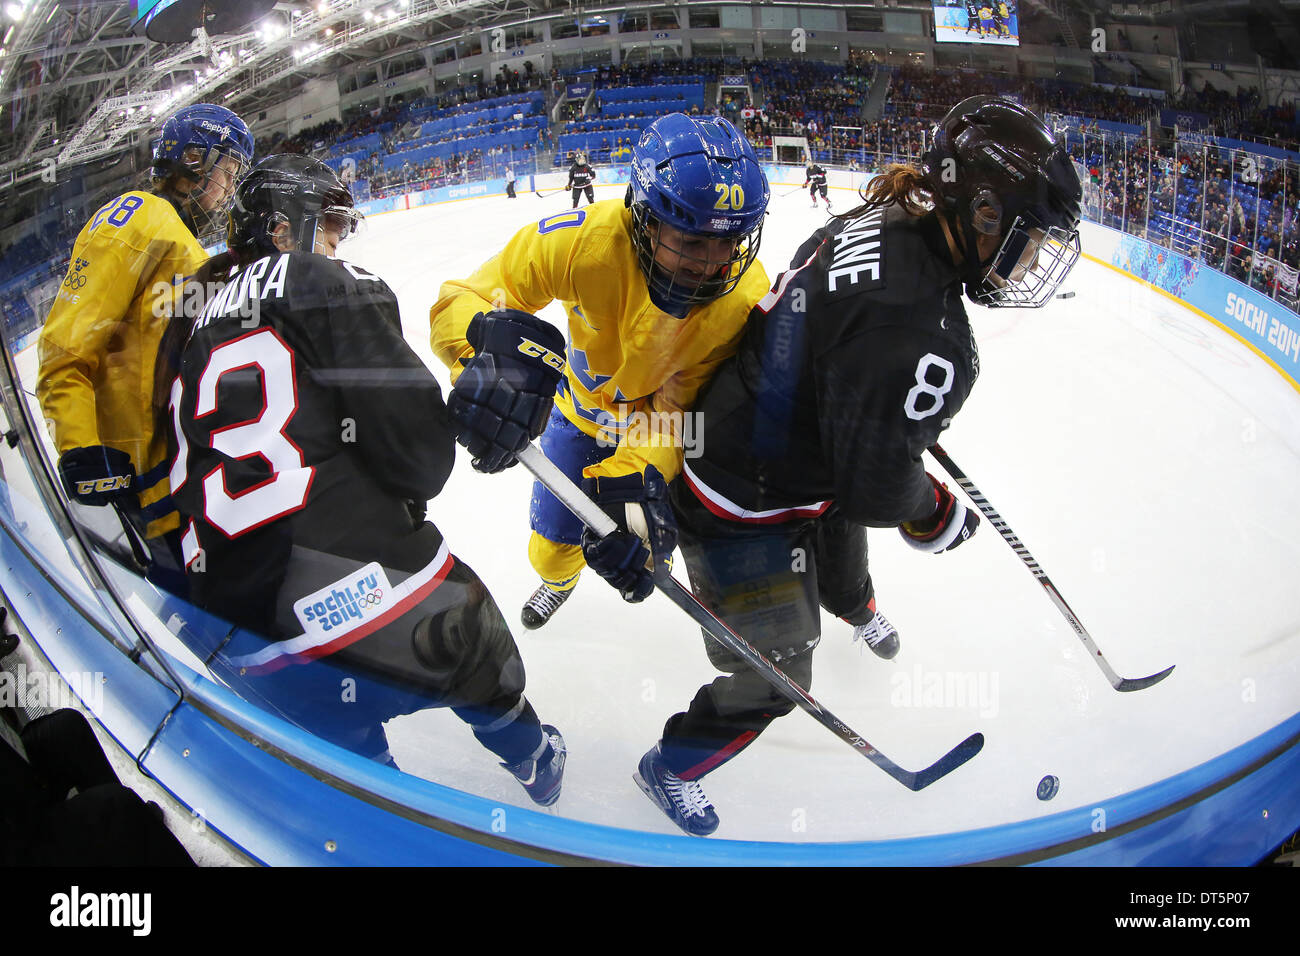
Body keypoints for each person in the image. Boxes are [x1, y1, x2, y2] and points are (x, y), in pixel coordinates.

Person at [634, 95, 1083, 835]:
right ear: (982, 214)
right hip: (736, 499)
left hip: (780, 450)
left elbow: (823, 312)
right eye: (1028, 240)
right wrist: (933, 512)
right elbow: (876, 489)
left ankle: (854, 605)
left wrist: (863, 397)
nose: (1031, 263)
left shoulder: (890, 214)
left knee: (838, 539)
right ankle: (673, 764)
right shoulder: (923, 339)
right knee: (778, 670)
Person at [167, 155, 567, 805]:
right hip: (371, 607)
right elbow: (420, 461)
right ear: (280, 229)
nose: (335, 240)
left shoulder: (193, 329)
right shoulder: (320, 280)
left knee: (369, 793)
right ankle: (534, 759)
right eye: (326, 225)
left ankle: (383, 794)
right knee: (479, 650)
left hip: (236, 643)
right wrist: (460, 417)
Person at [429, 113, 770, 631]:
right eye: (693, 242)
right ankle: (559, 580)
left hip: (648, 429)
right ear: (646, 219)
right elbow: (468, 295)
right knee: (549, 546)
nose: (713, 264)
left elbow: (679, 410)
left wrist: (639, 473)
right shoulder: (580, 242)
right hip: (577, 417)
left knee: (644, 539)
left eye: (728, 243)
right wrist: (483, 356)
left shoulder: (741, 299)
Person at [36, 103, 252, 594]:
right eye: (228, 169)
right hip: (136, 470)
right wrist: (80, 446)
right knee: (187, 602)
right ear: (194, 159)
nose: (228, 187)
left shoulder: (184, 242)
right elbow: (65, 345)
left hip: (176, 468)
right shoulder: (138, 217)